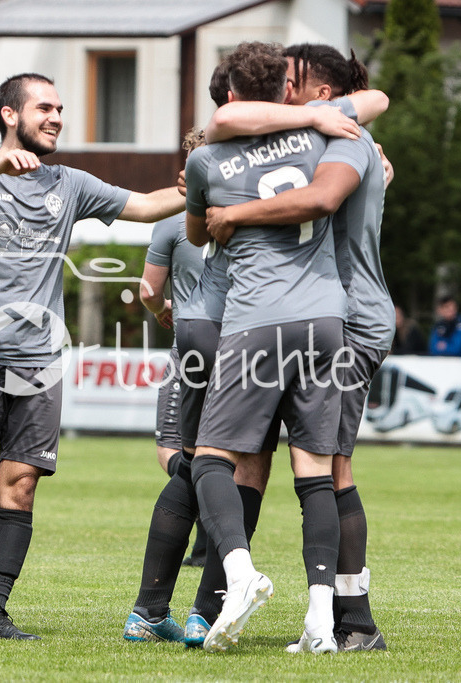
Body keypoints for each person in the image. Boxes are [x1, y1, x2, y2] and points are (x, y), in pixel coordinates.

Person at [0, 72, 185, 641]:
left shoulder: (69, 183)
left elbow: (149, 206)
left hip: (40, 354)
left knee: (21, 481)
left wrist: (210, 186)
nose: (56, 117)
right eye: (45, 108)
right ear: (10, 114)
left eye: (60, 109)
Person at [123, 57, 370, 648]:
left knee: (200, 463)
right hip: (325, 319)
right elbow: (375, 103)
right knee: (309, 471)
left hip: (236, 321)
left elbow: (191, 241)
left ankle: (178, 599)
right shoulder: (323, 139)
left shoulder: (205, 160)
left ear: (229, 96)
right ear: (288, 90)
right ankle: (317, 619)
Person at [203, 42, 393, 653]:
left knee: (332, 466)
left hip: (348, 312)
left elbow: (320, 200)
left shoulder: (343, 137)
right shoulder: (317, 129)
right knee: (281, 460)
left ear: (320, 93)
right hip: (321, 311)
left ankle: (353, 619)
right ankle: (232, 602)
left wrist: (236, 216)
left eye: (292, 80)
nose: (280, 89)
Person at [139, 128, 210, 568]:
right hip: (247, 342)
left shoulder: (173, 221)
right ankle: (215, 541)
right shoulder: (254, 211)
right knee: (229, 449)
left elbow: (148, 288)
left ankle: (201, 510)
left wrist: (160, 308)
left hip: (190, 343)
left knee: (173, 446)